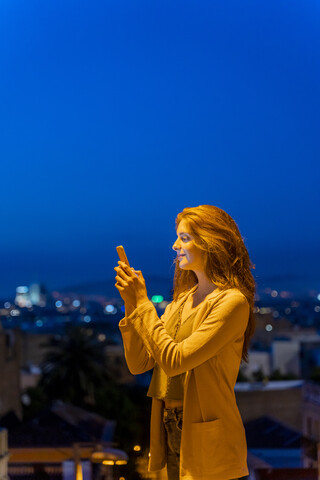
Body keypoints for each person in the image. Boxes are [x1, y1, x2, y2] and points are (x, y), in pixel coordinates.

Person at [114, 205, 255, 480]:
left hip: (208, 436)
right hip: (170, 426)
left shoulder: (232, 302)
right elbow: (139, 363)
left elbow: (175, 361)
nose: (175, 245)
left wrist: (143, 303)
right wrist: (132, 305)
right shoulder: (181, 301)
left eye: (185, 238)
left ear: (212, 243)